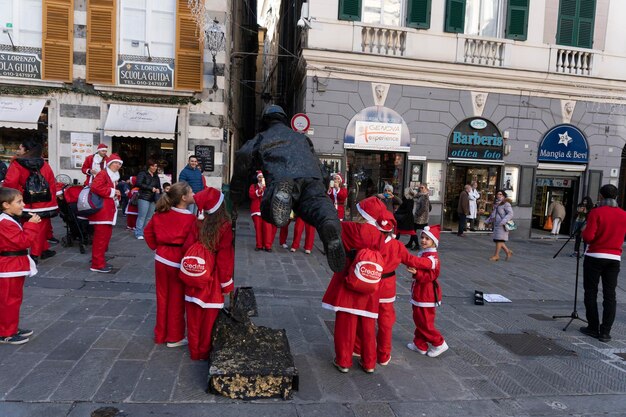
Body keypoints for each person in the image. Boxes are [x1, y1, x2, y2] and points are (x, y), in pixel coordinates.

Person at [230, 104, 345, 272]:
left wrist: (236, 194)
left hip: (282, 176)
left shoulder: (262, 137)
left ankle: (281, 195)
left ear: (265, 121)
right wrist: (323, 186)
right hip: (312, 179)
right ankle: (328, 221)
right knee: (317, 208)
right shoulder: (302, 138)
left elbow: (243, 155)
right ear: (284, 119)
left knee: (269, 211)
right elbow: (321, 169)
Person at [322, 197, 388, 374]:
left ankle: (343, 360)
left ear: (362, 213)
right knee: (368, 324)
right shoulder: (379, 235)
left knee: (345, 322)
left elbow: (331, 231)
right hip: (370, 283)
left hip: (349, 279)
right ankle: (369, 363)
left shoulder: (350, 228)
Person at [179, 187, 234, 360]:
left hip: (195, 275)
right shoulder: (225, 226)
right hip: (212, 279)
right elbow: (225, 259)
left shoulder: (198, 222)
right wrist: (227, 284)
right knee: (209, 320)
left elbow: (186, 247)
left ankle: (194, 351)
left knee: (193, 318)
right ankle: (204, 351)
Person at [144, 182, 196, 347]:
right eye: (191, 192)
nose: (194, 194)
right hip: (177, 260)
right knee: (176, 300)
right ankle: (174, 337)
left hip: (161, 258)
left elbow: (147, 232)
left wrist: (157, 247)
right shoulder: (190, 218)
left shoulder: (161, 213)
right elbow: (192, 242)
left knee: (162, 297)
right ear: (183, 197)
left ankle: (160, 334)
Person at [579, 184, 626, 343]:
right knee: (610, 294)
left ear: (600, 196)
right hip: (614, 258)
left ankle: (593, 327)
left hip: (595, 255)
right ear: (616, 197)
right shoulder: (623, 214)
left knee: (591, 292)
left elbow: (588, 237)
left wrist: (583, 231)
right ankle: (605, 332)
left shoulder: (596, 212)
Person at [3, 136, 59, 263]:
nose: (18, 150)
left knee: (32, 227)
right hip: (45, 202)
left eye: (20, 147)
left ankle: (34, 255)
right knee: (41, 228)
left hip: (26, 202)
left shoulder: (17, 164)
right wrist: (53, 201)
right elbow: (51, 182)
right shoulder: (44, 163)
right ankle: (43, 250)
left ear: (26, 149)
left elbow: (10, 184)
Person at [0, 188, 40, 345]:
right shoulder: (4, 222)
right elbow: (22, 242)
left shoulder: (7, 219)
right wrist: (31, 225)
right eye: (19, 202)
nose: (23, 205)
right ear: (6, 205)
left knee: (14, 299)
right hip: (8, 267)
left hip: (14, 265)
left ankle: (11, 327)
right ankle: (6, 333)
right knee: (9, 300)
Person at [406, 225, 448, 357]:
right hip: (421, 292)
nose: (423, 240)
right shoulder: (426, 253)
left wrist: (416, 272)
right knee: (419, 319)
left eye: (427, 239)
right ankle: (420, 344)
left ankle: (439, 343)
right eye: (422, 237)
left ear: (433, 242)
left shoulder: (432, 258)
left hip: (427, 294)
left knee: (425, 322)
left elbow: (430, 275)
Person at [87, 154, 123, 273]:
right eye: (115, 163)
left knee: (104, 240)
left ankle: (100, 261)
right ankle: (97, 264)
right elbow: (95, 187)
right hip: (102, 212)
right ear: (109, 163)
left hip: (107, 212)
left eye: (119, 163)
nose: (118, 165)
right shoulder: (103, 174)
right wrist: (112, 192)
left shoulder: (110, 176)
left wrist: (115, 194)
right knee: (100, 240)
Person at [134, 160, 162, 240]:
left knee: (149, 217)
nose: (154, 168)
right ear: (149, 166)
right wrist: (151, 188)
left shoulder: (156, 176)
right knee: (142, 216)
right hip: (144, 197)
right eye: (153, 166)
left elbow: (159, 186)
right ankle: (138, 232)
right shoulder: (143, 173)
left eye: (156, 166)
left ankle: (145, 232)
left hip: (153, 198)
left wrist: (159, 190)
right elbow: (138, 183)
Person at [249, 171, 276, 251]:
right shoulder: (253, 186)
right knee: (258, 228)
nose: (261, 179)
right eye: (259, 177)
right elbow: (252, 195)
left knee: (268, 228)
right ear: (257, 178)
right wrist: (259, 191)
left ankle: (268, 245)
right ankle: (259, 245)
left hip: (265, 210)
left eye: (262, 177)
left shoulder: (268, 187)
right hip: (256, 210)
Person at [485, 190, 514, 261]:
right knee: (498, 240)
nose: (499, 195)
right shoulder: (497, 204)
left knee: (499, 240)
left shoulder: (506, 204)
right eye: (498, 194)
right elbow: (493, 215)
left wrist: (503, 221)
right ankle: (508, 252)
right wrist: (488, 221)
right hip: (497, 224)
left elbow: (510, 214)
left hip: (502, 225)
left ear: (504, 196)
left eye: (501, 194)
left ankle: (496, 255)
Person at [407, 184, 430, 249]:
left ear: (426, 189)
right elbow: (414, 195)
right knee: (414, 230)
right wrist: (411, 190)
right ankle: (410, 243)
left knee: (413, 230)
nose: (420, 189)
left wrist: (418, 214)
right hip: (419, 217)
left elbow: (424, 208)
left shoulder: (425, 196)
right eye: (420, 188)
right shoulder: (420, 195)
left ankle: (417, 245)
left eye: (422, 188)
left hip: (421, 218)